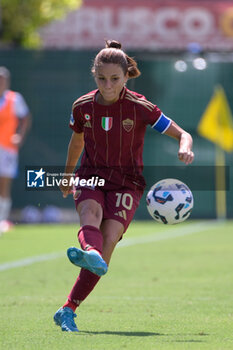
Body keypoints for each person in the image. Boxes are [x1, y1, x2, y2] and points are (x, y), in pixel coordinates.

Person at [53, 40, 194, 332]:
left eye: (114, 79)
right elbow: (77, 141)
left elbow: (182, 133)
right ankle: (89, 250)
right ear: (95, 76)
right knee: (89, 213)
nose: (107, 85)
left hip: (127, 184)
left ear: (126, 76)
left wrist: (185, 146)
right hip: (90, 175)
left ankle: (68, 308)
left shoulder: (140, 107)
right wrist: (68, 176)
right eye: (101, 78)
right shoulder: (82, 106)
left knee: (105, 250)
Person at [0, 67, 31, 234]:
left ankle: (2, 219)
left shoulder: (15, 99)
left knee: (4, 184)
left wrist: (19, 136)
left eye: (2, 80)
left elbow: (25, 118)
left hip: (7, 148)